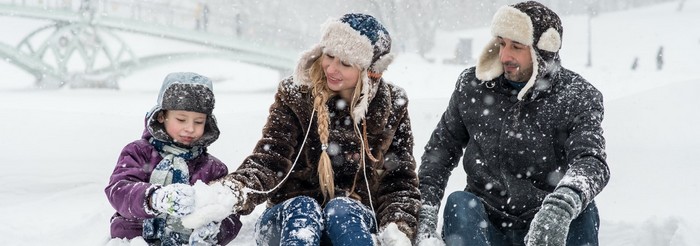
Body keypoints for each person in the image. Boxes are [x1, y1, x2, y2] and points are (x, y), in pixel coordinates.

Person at [209, 13, 420, 245]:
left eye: (346, 63)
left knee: (343, 210)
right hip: (286, 217)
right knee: (304, 208)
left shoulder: (392, 106)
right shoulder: (295, 95)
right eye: (329, 55)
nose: (332, 68)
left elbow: (399, 180)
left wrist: (398, 227)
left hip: (352, 221)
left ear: (370, 73)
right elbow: (271, 159)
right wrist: (234, 190)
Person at [416, 1, 610, 246]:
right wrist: (425, 209)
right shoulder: (472, 87)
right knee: (459, 204)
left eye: (516, 47)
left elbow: (591, 161)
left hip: (546, 223)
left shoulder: (577, 96)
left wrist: (561, 205)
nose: (504, 55)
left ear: (543, 52)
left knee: (584, 211)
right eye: (501, 43)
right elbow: (440, 151)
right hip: (487, 220)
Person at [105, 72, 241, 245]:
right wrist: (154, 198)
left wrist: (215, 232)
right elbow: (118, 191)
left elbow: (228, 212)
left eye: (198, 122)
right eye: (181, 119)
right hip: (134, 239)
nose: (190, 128)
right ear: (162, 116)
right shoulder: (138, 152)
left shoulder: (213, 169)